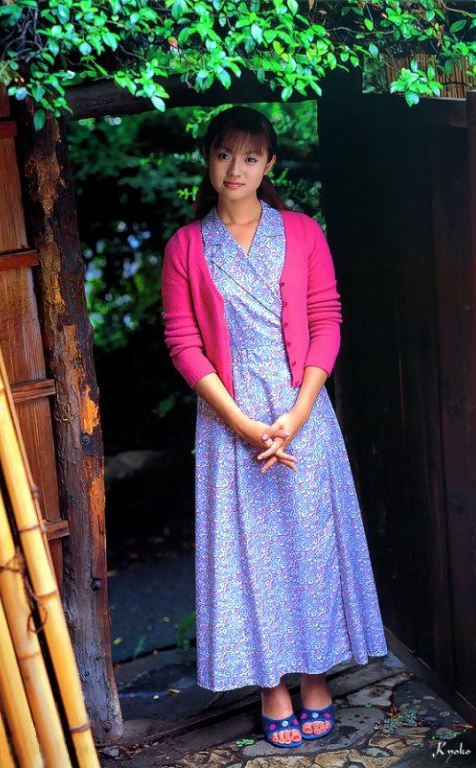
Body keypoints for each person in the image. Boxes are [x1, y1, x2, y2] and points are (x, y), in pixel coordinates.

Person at [161, 105, 388, 749]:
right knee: (248, 555)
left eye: (250, 156)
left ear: (270, 164)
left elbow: (326, 319)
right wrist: (240, 423)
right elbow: (183, 342)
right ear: (207, 159)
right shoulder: (185, 246)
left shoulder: (303, 233)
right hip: (227, 417)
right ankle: (270, 686)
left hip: (301, 410)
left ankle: (315, 674)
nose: (235, 168)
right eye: (223, 154)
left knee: (311, 545)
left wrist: (299, 412)